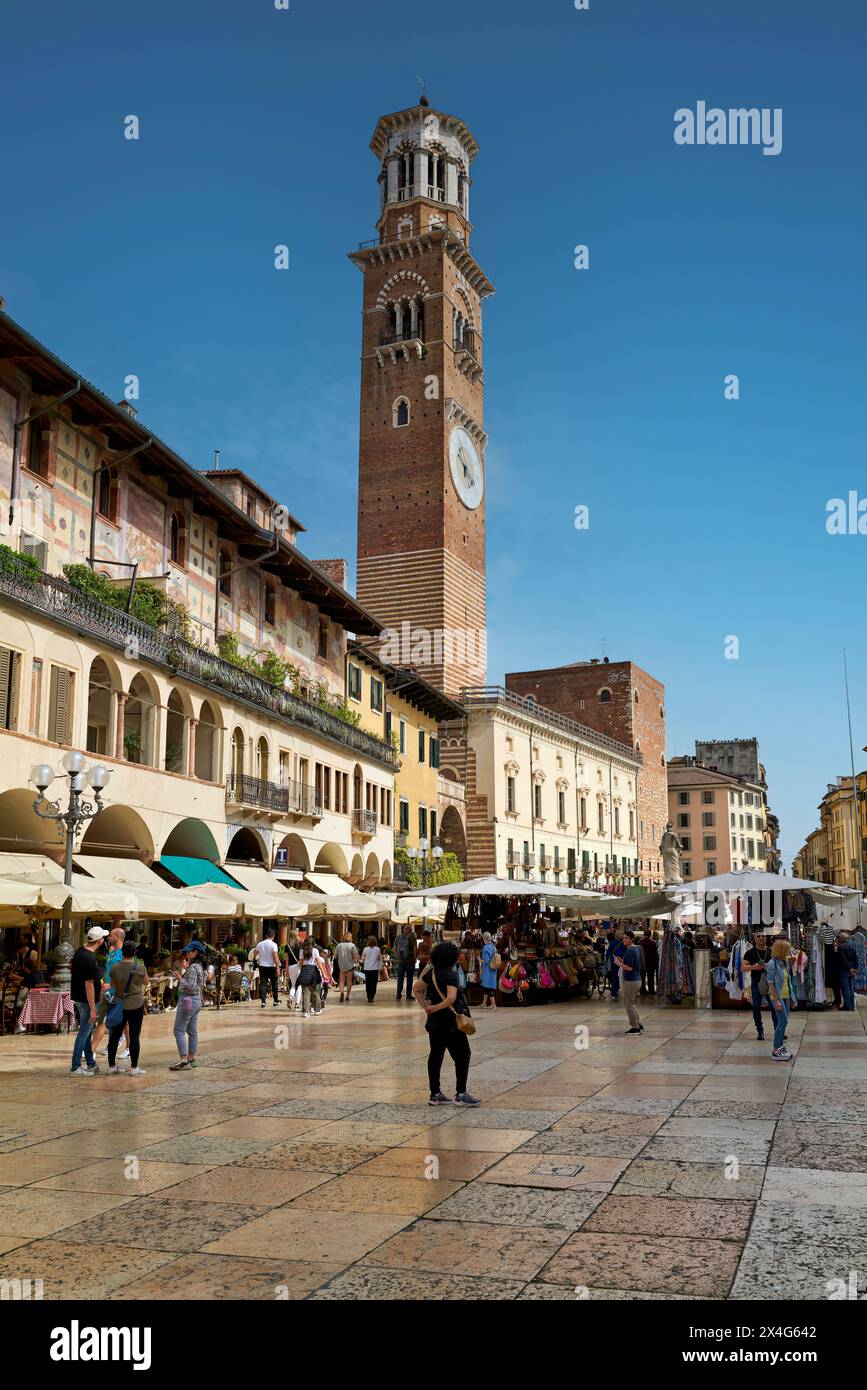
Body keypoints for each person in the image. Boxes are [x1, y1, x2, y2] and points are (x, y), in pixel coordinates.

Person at [413, 940, 480, 1107]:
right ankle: (461, 1094)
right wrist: (435, 1007)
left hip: (435, 1024)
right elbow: (451, 997)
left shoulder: (432, 973)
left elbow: (416, 989)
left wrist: (426, 1007)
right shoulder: (451, 974)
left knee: (435, 1056)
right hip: (451, 1023)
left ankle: (435, 1094)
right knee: (463, 1055)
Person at [69, 925, 108, 1076]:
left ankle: (91, 1064)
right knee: (83, 1033)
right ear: (99, 941)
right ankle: (75, 1066)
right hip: (87, 1001)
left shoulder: (80, 951)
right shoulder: (90, 958)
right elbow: (89, 985)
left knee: (86, 1032)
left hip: (78, 998)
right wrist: (93, 1008)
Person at [107, 939, 149, 1076]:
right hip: (136, 1004)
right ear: (135, 952)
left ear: (122, 952)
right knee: (134, 1035)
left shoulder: (114, 968)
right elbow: (146, 982)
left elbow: (112, 985)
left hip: (119, 1004)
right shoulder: (140, 967)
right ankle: (134, 1068)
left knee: (114, 1036)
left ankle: (112, 1066)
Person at [93, 926, 129, 1061]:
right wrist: (104, 983)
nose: (108, 938)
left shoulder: (124, 953)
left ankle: (128, 1047)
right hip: (107, 992)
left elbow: (125, 974)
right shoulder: (111, 951)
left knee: (124, 1023)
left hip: (119, 992)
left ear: (117, 937)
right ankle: (93, 1049)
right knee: (102, 1020)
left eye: (111, 936)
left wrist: (112, 984)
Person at [170, 941, 205, 1070]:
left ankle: (184, 1060)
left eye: (189, 951)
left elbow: (191, 987)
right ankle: (191, 1057)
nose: (187, 954)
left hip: (188, 1000)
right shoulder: (201, 966)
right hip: (196, 1001)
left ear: (195, 952)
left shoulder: (193, 967)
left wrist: (180, 979)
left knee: (178, 1030)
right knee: (192, 1031)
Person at [742, 931, 777, 1042]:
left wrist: (769, 966)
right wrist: (753, 967)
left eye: (763, 936)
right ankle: (760, 1031)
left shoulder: (772, 951)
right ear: (755, 939)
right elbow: (744, 968)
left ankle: (778, 1029)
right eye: (759, 936)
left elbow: (779, 966)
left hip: (771, 982)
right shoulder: (749, 953)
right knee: (756, 1007)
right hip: (756, 982)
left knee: (774, 1007)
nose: (761, 938)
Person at [766, 939, 795, 1062]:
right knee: (782, 1022)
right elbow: (771, 983)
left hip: (786, 995)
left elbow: (788, 980)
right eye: (787, 949)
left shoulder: (784, 962)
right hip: (777, 996)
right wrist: (776, 1000)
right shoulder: (772, 963)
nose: (789, 951)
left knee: (783, 1022)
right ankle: (776, 1049)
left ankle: (780, 1046)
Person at [620, 929, 644, 1034]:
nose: (624, 940)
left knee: (628, 1004)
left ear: (631, 939)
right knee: (632, 1004)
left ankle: (635, 1027)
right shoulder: (636, 949)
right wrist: (622, 962)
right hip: (637, 980)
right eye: (623, 938)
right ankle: (638, 1023)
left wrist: (619, 964)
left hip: (630, 980)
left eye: (626, 938)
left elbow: (629, 968)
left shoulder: (629, 950)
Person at [253, 928, 280, 1008]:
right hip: (272, 966)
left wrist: (257, 960)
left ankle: (263, 1002)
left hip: (262, 966)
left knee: (263, 983)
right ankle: (275, 1001)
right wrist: (278, 967)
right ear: (273, 936)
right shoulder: (273, 945)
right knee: (274, 983)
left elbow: (255, 954)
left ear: (266, 935)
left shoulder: (260, 944)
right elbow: (275, 957)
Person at [297, 940, 323, 1017]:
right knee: (314, 991)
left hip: (304, 970)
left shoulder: (302, 951)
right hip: (313, 971)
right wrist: (324, 973)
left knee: (305, 992)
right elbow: (319, 962)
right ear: (313, 944)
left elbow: (301, 963)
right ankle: (317, 1009)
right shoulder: (315, 950)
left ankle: (306, 1011)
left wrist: (299, 964)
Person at [394, 925, 417, 1002]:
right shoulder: (412, 937)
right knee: (409, 978)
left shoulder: (398, 937)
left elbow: (395, 948)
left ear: (403, 930)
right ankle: (408, 995)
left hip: (401, 961)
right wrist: (415, 958)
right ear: (410, 930)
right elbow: (414, 948)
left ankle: (398, 995)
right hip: (410, 960)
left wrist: (397, 957)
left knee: (400, 978)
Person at [838, 931, 858, 1011]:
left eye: (839, 937)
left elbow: (843, 959)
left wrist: (849, 968)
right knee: (851, 988)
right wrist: (854, 969)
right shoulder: (852, 946)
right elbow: (855, 958)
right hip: (852, 969)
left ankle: (848, 1006)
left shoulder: (841, 947)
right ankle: (852, 1006)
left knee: (845, 988)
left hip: (845, 970)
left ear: (842, 939)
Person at [335, 934, 359, 1002]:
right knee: (349, 981)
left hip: (341, 965)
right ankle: (347, 995)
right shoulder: (352, 945)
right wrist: (356, 960)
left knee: (341, 980)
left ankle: (342, 991)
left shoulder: (339, 945)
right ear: (350, 938)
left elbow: (335, 955)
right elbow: (355, 955)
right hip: (350, 965)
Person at [480, 930, 499, 1008]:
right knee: (487, 986)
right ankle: (484, 1003)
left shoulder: (485, 948)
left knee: (487, 986)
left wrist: (479, 959)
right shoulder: (493, 947)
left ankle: (493, 1004)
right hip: (493, 969)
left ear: (484, 939)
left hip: (487, 970)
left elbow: (486, 961)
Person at [361, 935, 382, 1004]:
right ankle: (372, 996)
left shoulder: (365, 949)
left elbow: (363, 959)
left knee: (368, 983)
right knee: (374, 983)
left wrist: (360, 961)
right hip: (375, 968)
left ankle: (368, 996)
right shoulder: (377, 949)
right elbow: (379, 958)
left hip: (367, 968)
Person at [640, 930, 658, 996]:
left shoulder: (640, 942)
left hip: (642, 962)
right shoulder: (652, 943)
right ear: (650, 935)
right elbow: (655, 954)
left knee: (642, 977)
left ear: (644, 934)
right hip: (651, 962)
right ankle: (651, 990)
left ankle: (642, 990)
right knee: (651, 977)